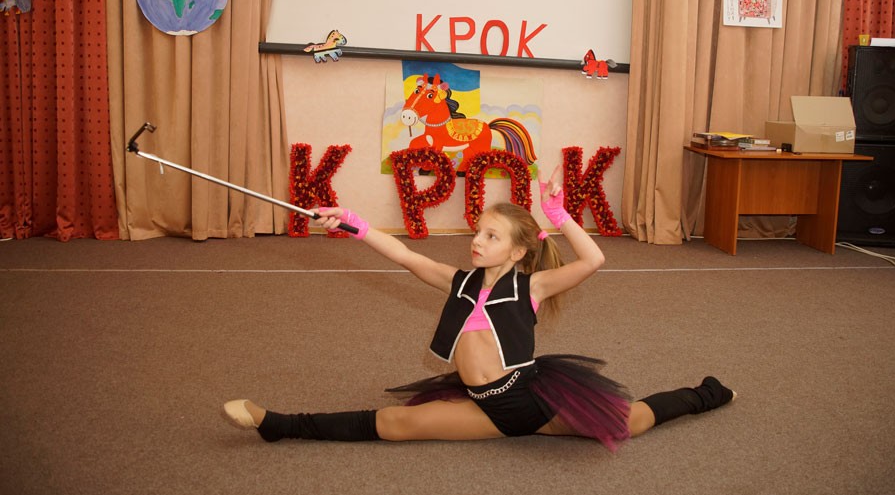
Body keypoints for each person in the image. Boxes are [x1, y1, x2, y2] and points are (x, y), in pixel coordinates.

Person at [222, 166, 735, 451]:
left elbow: (594, 259)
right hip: (484, 405)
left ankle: (705, 394)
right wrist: (353, 222)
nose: (477, 241)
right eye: (478, 232)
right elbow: (404, 255)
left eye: (492, 236)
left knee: (631, 421)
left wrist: (558, 215)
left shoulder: (532, 287)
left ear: (517, 252)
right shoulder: (459, 282)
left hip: (531, 400)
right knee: (394, 425)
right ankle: (280, 424)